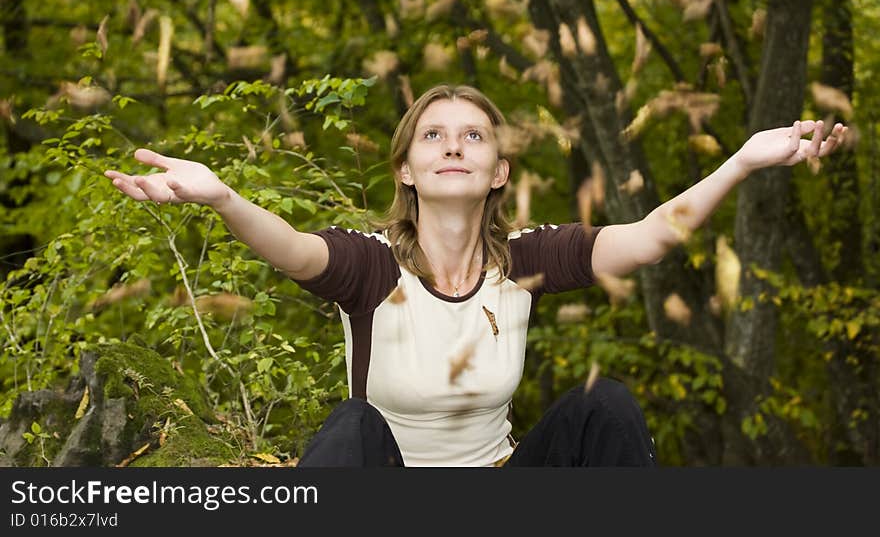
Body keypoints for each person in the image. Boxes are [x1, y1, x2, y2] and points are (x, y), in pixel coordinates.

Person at [104, 84, 847, 467]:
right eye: (433, 134)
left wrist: (745, 157)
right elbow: (294, 250)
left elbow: (652, 236)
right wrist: (225, 196)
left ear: (500, 171)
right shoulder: (371, 264)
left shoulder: (523, 261)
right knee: (352, 424)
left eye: (473, 136)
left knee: (605, 405)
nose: (452, 146)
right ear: (407, 168)